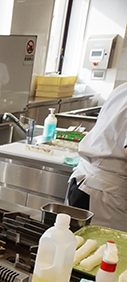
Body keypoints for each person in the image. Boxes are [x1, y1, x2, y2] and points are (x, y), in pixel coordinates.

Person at [66, 82, 127, 230]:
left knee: (75, 244)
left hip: (86, 182)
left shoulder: (123, 87)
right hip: (106, 197)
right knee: (104, 249)